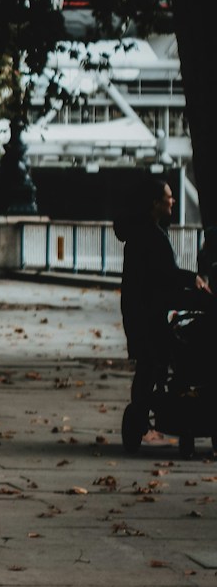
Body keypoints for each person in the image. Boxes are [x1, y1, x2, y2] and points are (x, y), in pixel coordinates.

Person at [117, 174, 210, 426]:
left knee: (150, 364)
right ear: (155, 203)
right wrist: (194, 282)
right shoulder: (152, 235)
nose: (173, 201)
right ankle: (147, 412)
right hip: (147, 313)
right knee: (158, 360)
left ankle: (140, 414)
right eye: (169, 197)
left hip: (138, 310)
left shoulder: (141, 232)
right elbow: (164, 275)